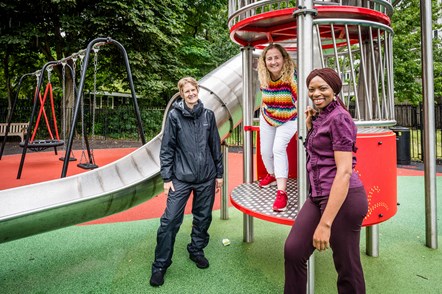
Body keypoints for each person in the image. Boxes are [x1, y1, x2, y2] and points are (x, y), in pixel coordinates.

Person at [284, 68, 368, 293]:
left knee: (347, 266)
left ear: (335, 89)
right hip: (318, 196)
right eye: (311, 89)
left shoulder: (339, 117)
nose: (316, 93)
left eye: (323, 88)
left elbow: (344, 172)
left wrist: (325, 223)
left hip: (344, 199)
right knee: (293, 251)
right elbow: (318, 155)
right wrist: (311, 128)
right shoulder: (321, 116)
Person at [149, 77, 224, 287]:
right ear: (181, 94)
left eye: (193, 89)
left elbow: (215, 147)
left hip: (206, 177)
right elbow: (167, 149)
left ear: (197, 90)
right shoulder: (174, 116)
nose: (191, 93)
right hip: (181, 178)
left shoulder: (208, 115)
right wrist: (166, 178)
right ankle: (160, 266)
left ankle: (196, 250)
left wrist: (219, 174)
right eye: (186, 91)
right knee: (170, 220)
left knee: (203, 217)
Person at [257, 43, 298, 212]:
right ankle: (272, 175)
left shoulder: (290, 78)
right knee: (265, 151)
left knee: (278, 149)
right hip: (268, 116)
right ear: (265, 62)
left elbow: (300, 99)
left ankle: (281, 192)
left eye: (276, 58)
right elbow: (265, 97)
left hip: (289, 117)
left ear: (283, 59)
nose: (273, 62)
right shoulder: (264, 77)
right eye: (269, 58)